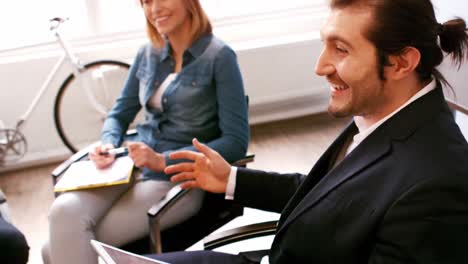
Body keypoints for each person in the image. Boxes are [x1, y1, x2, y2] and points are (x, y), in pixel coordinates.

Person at [146, 0, 468, 263]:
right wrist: (230, 178)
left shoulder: (438, 184)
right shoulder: (383, 112)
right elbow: (329, 195)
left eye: (340, 50)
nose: (320, 66)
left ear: (400, 63)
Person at [42, 0, 249, 263]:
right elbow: (118, 113)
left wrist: (164, 160)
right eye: (147, 2)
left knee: (55, 250)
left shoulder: (220, 57)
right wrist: (108, 143)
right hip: (129, 165)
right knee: (63, 211)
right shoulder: (147, 53)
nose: (154, 9)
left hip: (176, 178)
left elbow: (235, 142)